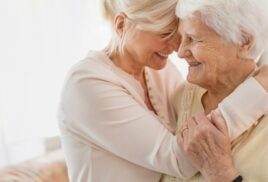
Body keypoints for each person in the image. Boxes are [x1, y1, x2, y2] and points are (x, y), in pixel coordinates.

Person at [58, 0, 268, 181]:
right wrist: (259, 89)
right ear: (122, 25)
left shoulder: (159, 71)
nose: (177, 49)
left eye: (179, 34)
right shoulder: (86, 84)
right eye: (165, 33)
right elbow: (180, 157)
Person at [161, 0, 268, 181]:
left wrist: (220, 173)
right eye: (181, 38)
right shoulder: (179, 97)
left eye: (193, 39)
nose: (180, 52)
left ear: (244, 41)